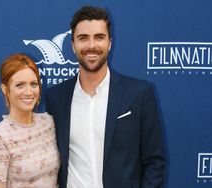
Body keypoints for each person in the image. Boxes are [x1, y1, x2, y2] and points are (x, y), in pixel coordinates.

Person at [45, 6, 166, 188]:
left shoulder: (139, 94)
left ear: (110, 43)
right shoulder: (56, 97)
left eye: (99, 37)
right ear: (73, 45)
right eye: (83, 38)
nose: (91, 45)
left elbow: (154, 162)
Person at [0, 53, 60, 188]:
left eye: (33, 84)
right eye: (20, 85)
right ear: (5, 90)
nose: (29, 92)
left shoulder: (49, 123)